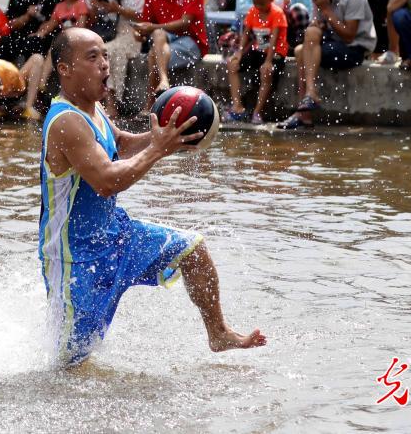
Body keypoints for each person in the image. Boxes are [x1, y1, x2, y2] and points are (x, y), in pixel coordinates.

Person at [39, 26, 266, 365]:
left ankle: (219, 333)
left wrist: (167, 136)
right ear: (65, 70)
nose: (104, 63)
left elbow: (124, 144)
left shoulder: (93, 109)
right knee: (72, 366)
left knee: (193, 250)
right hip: (77, 258)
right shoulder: (66, 122)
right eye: (92, 57)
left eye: (104, 54)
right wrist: (159, 149)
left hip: (115, 235)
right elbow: (106, 181)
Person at [278, 0, 376, 130]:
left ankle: (305, 109)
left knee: (304, 51)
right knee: (302, 47)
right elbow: (317, 27)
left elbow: (348, 35)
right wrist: (319, 24)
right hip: (332, 42)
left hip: (354, 48)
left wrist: (326, 11)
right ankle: (309, 100)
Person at [134, 0, 209, 115]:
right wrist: (139, 33)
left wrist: (152, 28)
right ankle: (164, 81)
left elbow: (185, 23)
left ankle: (150, 104)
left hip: (191, 42)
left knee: (154, 51)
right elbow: (148, 24)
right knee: (158, 37)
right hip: (164, 42)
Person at [86, 0, 147, 118]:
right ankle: (89, 99)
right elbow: (91, 12)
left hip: (130, 31)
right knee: (88, 52)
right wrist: (96, 7)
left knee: (108, 51)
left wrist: (118, 9)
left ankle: (112, 103)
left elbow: (144, 16)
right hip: (103, 30)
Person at [226, 0, 288, 124]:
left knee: (266, 72)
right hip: (258, 50)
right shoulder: (253, 11)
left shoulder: (277, 13)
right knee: (231, 64)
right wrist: (239, 54)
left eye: (262, 3)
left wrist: (268, 62)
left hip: (275, 54)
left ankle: (257, 113)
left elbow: (274, 39)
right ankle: (237, 106)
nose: (259, 7)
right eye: (256, 3)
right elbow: (246, 34)